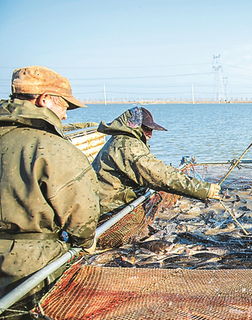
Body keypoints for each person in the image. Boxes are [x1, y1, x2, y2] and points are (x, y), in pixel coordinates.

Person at [0, 66, 100, 310]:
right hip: (30, 266)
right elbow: (83, 220)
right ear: (44, 99)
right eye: (65, 106)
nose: (65, 116)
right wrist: (85, 243)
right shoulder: (53, 148)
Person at [92, 107, 221, 215]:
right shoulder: (127, 145)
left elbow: (155, 169)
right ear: (135, 126)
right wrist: (203, 189)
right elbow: (161, 175)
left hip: (107, 201)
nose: (150, 134)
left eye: (151, 130)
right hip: (108, 209)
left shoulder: (123, 140)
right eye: (147, 129)